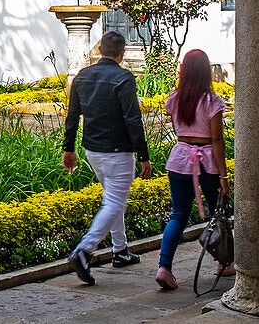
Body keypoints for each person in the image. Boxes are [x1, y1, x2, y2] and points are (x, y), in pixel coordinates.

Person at [62, 31, 152, 285]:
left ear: (99, 49)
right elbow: (133, 120)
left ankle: (120, 251)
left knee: (114, 199)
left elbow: (72, 116)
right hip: (118, 152)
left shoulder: (83, 75)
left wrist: (69, 149)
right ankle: (84, 250)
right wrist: (144, 155)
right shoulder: (124, 78)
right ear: (121, 53)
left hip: (93, 151)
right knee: (114, 202)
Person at [155, 48, 233, 290]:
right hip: (206, 160)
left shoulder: (174, 98)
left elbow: (178, 127)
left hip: (180, 158)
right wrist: (224, 175)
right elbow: (217, 139)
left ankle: (164, 267)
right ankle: (224, 262)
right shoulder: (212, 102)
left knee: (178, 214)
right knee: (217, 213)